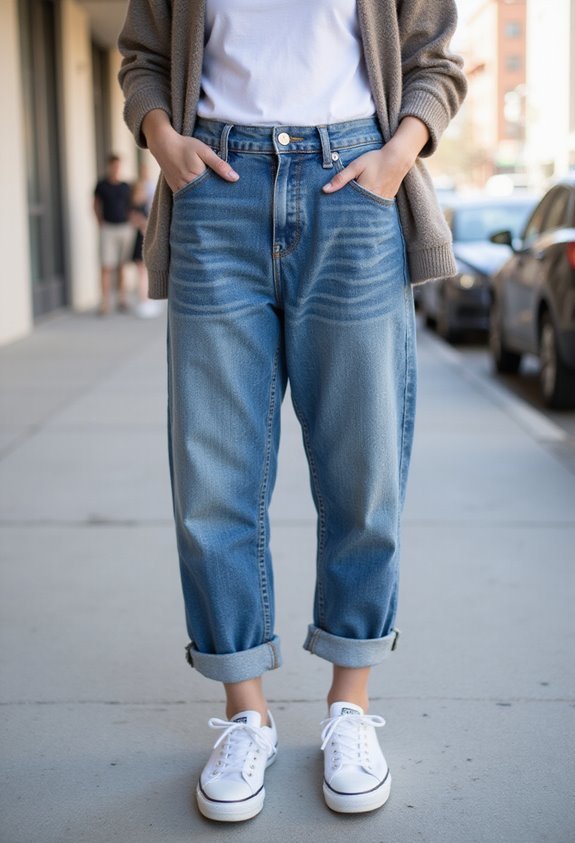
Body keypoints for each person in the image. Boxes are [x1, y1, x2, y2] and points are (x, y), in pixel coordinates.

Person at [118, 0, 467, 823]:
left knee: (362, 470)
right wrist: (164, 140)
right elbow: (141, 58)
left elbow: (435, 65)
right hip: (215, 188)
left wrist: (395, 155)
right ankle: (247, 715)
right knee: (214, 478)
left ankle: (349, 706)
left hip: (354, 189)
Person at [93, 154, 135, 315]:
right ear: (109, 166)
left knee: (122, 265)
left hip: (124, 228)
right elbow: (95, 204)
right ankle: (104, 303)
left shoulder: (126, 186)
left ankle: (121, 299)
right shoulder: (101, 185)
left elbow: (132, 204)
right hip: (108, 229)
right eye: (113, 166)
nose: (116, 168)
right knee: (106, 266)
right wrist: (99, 222)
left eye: (118, 166)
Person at [130, 177, 163, 318]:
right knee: (142, 273)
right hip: (140, 241)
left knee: (144, 273)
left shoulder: (143, 204)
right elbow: (137, 222)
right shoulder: (135, 206)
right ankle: (143, 301)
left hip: (143, 239)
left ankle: (146, 301)